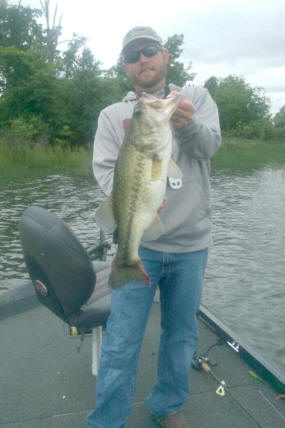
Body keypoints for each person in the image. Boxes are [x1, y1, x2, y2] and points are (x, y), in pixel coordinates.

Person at [87, 26, 221, 428]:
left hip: (191, 245)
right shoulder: (113, 115)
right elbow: (107, 170)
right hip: (140, 245)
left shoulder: (195, 98)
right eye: (132, 55)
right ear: (126, 67)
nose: (142, 59)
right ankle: (107, 420)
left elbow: (209, 146)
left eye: (148, 51)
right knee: (122, 341)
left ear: (164, 55)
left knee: (181, 338)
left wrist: (186, 125)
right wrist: (139, 195)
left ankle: (167, 406)